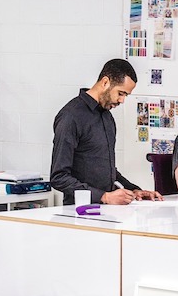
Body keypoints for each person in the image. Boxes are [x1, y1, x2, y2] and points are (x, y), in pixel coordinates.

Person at [50, 59, 163, 205]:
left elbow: (106, 169)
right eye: (121, 93)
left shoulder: (107, 117)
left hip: (108, 211)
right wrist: (104, 197)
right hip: (79, 212)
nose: (122, 100)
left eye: (126, 95)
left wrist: (134, 190)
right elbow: (59, 177)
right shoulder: (70, 117)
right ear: (105, 82)